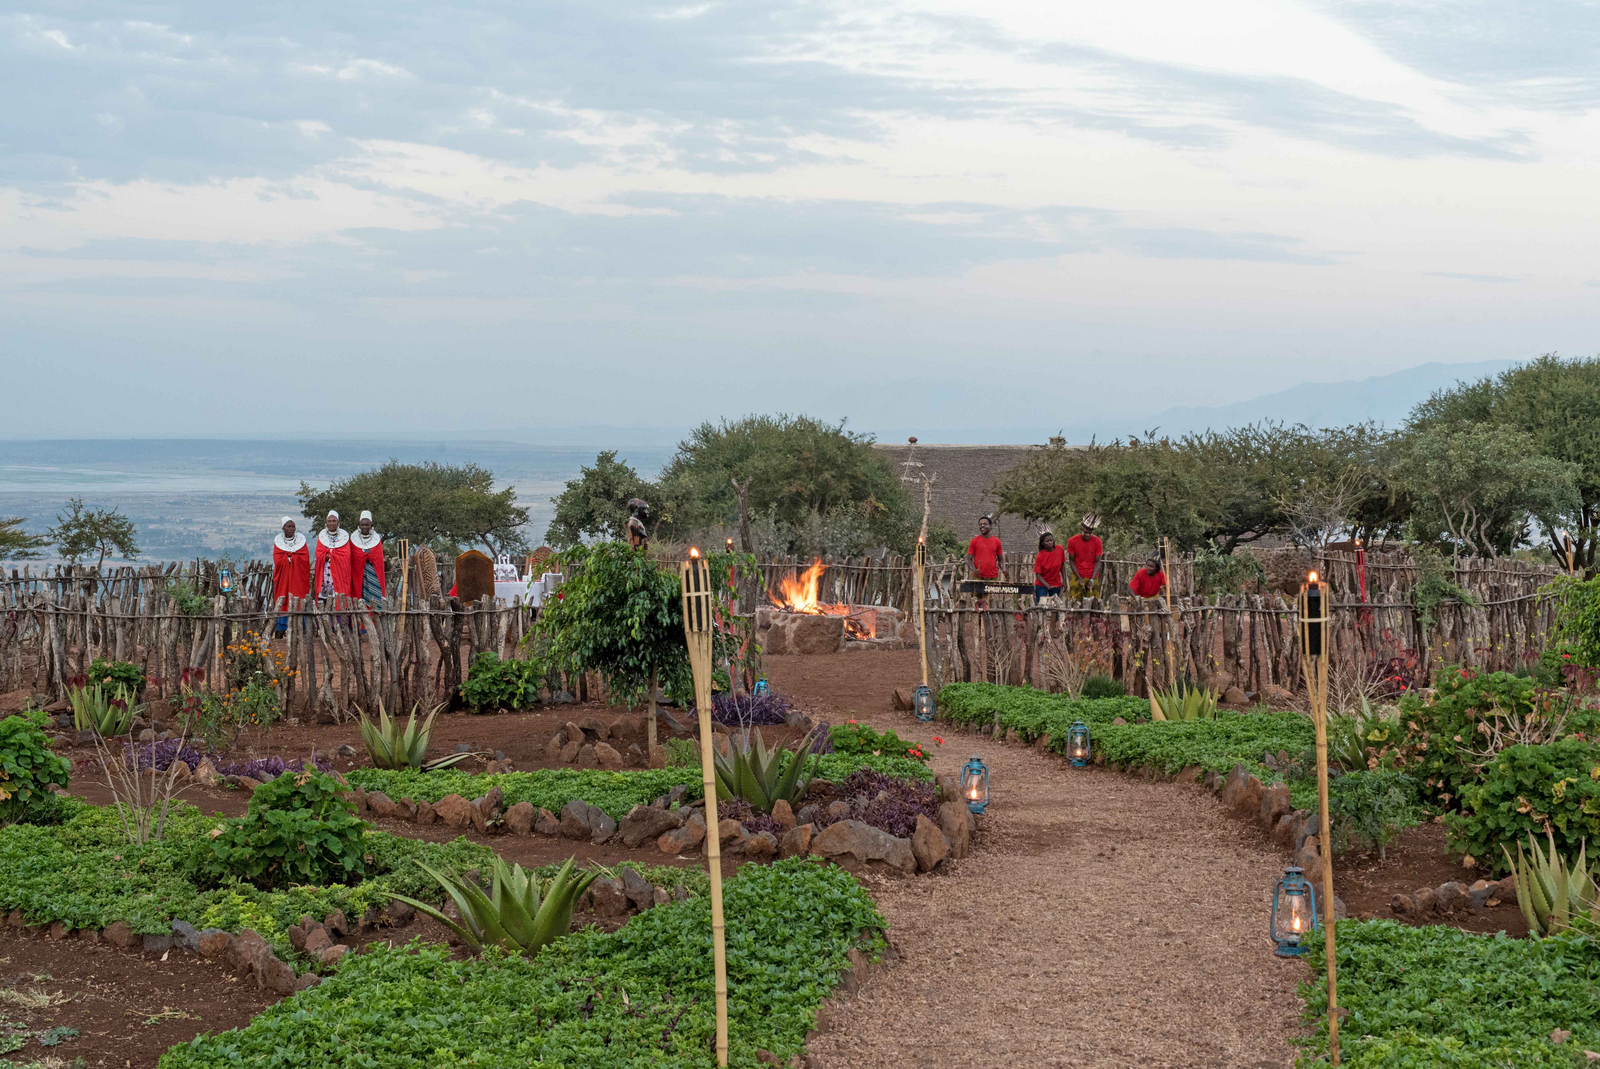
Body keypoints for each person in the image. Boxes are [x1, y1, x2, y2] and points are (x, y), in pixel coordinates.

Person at [270, 517, 309, 635]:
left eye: (293, 527)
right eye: (288, 526)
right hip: (284, 579)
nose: (291, 529)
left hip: (298, 579)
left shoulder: (301, 541)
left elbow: (305, 558)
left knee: (299, 597)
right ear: (283, 528)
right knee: (283, 596)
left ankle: (300, 626)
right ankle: (283, 626)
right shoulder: (278, 543)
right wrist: (288, 558)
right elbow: (278, 560)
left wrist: (292, 558)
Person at [312, 509, 355, 601]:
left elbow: (346, 555)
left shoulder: (344, 538)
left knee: (339, 598)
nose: (331, 523)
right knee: (323, 599)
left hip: (339, 573)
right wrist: (329, 555)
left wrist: (329, 554)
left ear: (338, 522)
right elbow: (319, 554)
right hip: (324, 572)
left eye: (334, 521)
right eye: (329, 521)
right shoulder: (322, 538)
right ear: (326, 523)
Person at [1065, 513, 1104, 600]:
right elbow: (1071, 561)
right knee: (1074, 602)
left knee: (1094, 603)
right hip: (1077, 575)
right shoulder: (1072, 541)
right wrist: (1079, 577)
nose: (1088, 535)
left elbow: (1098, 562)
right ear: (1081, 530)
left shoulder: (1097, 541)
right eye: (1085, 532)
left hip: (1093, 576)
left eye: (1090, 533)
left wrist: (1092, 579)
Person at [349, 510, 385, 603]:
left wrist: (368, 554)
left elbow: (378, 558)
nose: (364, 527)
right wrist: (365, 554)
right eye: (362, 525)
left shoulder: (376, 540)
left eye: (367, 525)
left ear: (371, 525)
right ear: (359, 525)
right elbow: (353, 556)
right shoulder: (353, 540)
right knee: (359, 596)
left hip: (373, 573)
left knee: (375, 596)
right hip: (358, 573)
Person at [967, 515, 1003, 579]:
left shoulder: (997, 541)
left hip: (993, 577)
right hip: (978, 577)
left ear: (990, 526)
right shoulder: (974, 541)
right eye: (980, 524)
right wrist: (974, 570)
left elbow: (1001, 559)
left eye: (985, 524)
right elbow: (968, 559)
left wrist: (1004, 569)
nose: (982, 526)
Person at [1033, 530, 1065, 600]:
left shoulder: (1060, 549)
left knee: (1055, 605)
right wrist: (1047, 585)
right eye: (1047, 541)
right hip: (1042, 584)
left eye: (1051, 540)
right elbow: (1038, 575)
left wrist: (1064, 581)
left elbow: (1062, 566)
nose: (1050, 542)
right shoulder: (1040, 556)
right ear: (1042, 543)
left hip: (1056, 583)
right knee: (1042, 605)